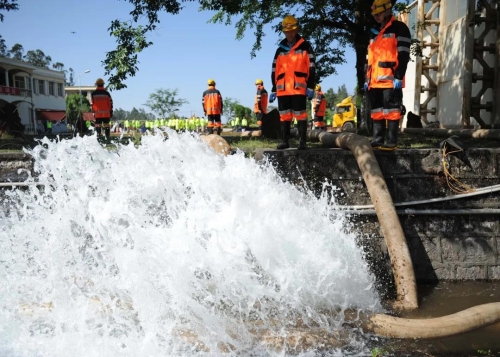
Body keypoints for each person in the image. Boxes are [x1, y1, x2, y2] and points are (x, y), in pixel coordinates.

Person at [365, 0, 411, 150]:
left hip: (390, 80)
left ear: (387, 10)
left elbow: (403, 55)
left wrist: (399, 76)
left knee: (392, 111)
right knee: (376, 111)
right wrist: (367, 78)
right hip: (374, 81)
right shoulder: (374, 31)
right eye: (375, 14)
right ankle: (378, 139)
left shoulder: (399, 28)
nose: (376, 16)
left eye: (379, 13)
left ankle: (391, 141)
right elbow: (370, 58)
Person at [270, 15, 316, 150]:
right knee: (284, 116)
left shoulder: (305, 46)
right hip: (283, 89)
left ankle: (303, 141)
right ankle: (284, 141)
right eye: (286, 31)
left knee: (300, 115)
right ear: (284, 32)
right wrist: (274, 88)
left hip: (298, 88)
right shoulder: (280, 49)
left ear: (296, 30)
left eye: (291, 31)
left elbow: (311, 66)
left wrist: (311, 86)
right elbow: (274, 69)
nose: (289, 34)